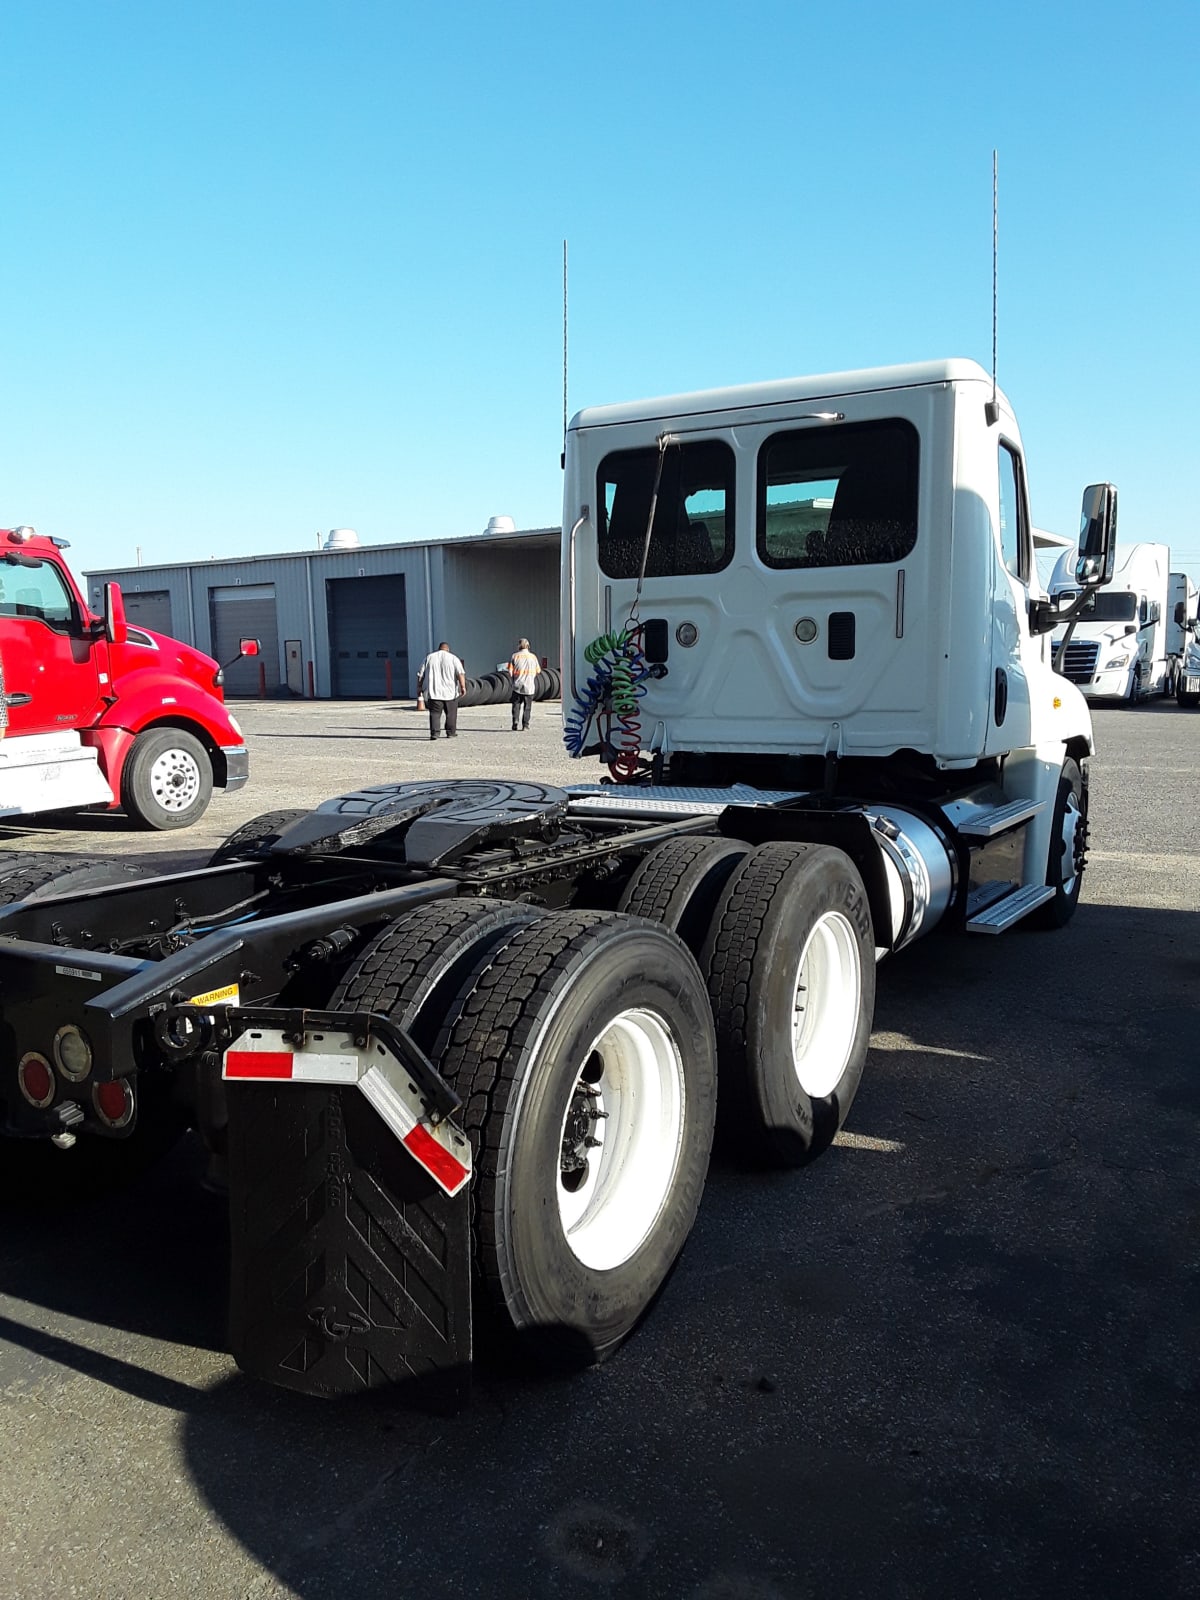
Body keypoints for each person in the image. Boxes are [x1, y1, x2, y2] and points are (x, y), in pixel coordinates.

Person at [416, 641, 466, 739]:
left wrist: (419, 687)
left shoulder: (429, 657)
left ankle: (435, 733)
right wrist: (463, 686)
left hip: (434, 692)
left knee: (435, 714)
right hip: (450, 692)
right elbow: (460, 673)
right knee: (451, 714)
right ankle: (451, 732)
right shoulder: (453, 658)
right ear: (448, 649)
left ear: (439, 648)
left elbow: (420, 674)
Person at [506, 637, 541, 731]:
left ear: (519, 646)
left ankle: (515, 721)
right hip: (529, 686)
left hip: (517, 684)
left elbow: (510, 670)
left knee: (516, 704)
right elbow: (538, 671)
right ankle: (525, 725)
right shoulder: (533, 657)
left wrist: (513, 679)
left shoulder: (515, 656)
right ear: (528, 646)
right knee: (527, 706)